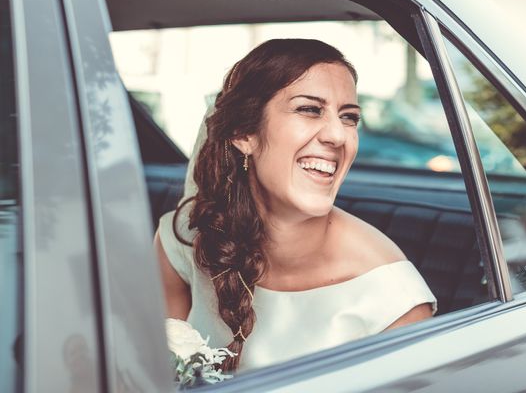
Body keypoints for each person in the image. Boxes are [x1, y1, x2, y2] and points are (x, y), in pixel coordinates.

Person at [154, 39, 436, 372]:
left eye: (349, 117)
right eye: (310, 109)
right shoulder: (186, 236)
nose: (338, 136)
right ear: (244, 133)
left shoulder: (392, 299)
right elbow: (157, 372)